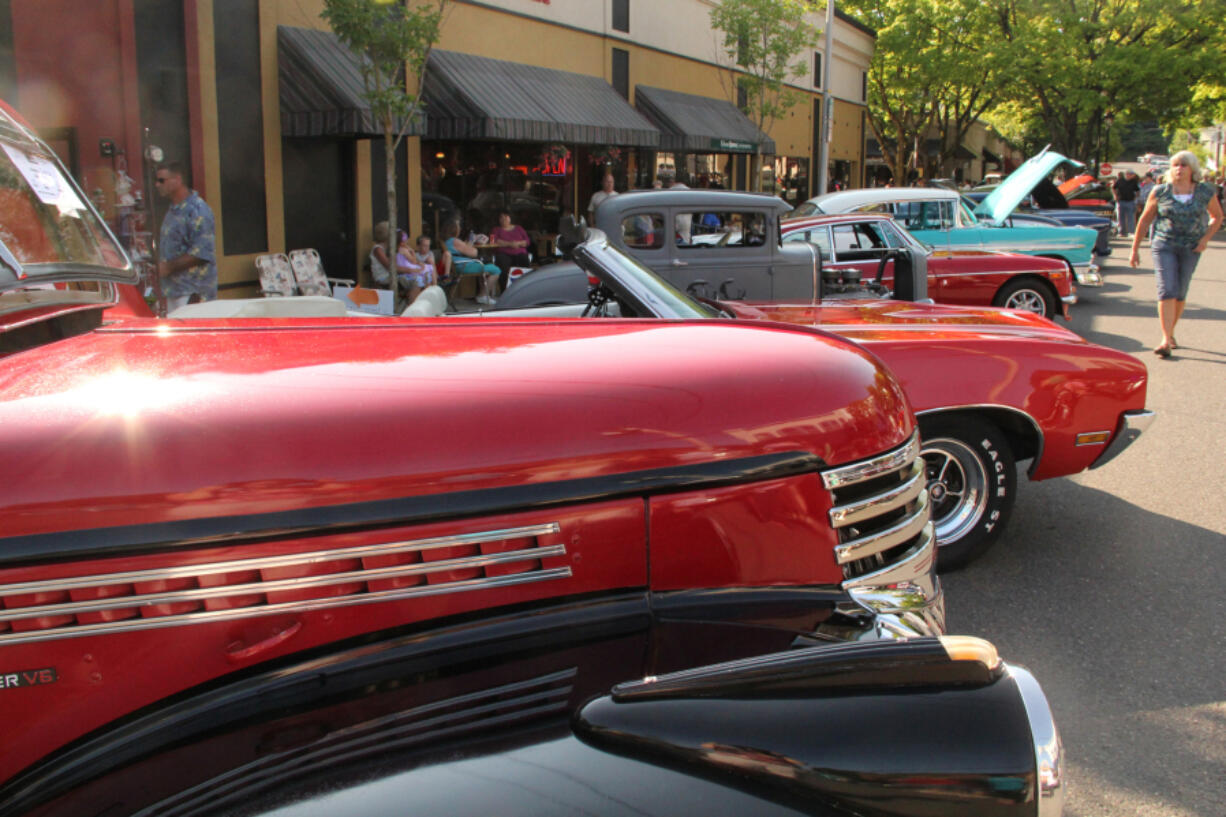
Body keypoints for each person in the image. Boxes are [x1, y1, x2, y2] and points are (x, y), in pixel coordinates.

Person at [1129, 150, 1224, 357]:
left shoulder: (1205, 192)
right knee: (1167, 289)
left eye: (1183, 165)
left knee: (1180, 292)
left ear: (1192, 170)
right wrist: (1135, 249)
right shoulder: (1160, 191)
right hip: (1165, 244)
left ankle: (1170, 332)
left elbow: (1217, 217)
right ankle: (1165, 340)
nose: (1179, 169)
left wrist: (1204, 239)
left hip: (1191, 247)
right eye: (1175, 165)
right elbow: (1145, 220)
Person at [155, 161, 216, 311]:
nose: (157, 184)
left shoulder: (197, 210)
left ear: (177, 179)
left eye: (161, 180)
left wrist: (167, 267)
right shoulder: (173, 210)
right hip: (173, 291)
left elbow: (202, 253)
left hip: (193, 293)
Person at [443, 220, 500, 305]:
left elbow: (463, 248)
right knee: (496, 270)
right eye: (459, 227)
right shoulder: (455, 241)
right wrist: (472, 241)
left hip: (458, 265)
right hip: (463, 266)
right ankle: (483, 296)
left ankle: (482, 294)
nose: (460, 228)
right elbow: (474, 253)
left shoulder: (448, 241)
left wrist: (468, 242)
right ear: (455, 230)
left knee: (483, 267)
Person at [489, 210, 531, 291]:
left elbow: (527, 241)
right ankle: (505, 290)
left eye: (506, 216)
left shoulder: (519, 228)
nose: (504, 219)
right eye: (501, 217)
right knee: (502, 263)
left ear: (510, 218)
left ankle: (525, 289)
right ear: (498, 219)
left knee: (525, 261)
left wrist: (517, 243)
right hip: (503, 253)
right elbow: (493, 241)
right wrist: (509, 244)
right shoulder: (496, 229)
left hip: (519, 252)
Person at [1113, 169, 1140, 237]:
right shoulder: (1120, 181)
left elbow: (1137, 190)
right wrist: (1115, 195)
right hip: (1121, 201)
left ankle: (1131, 232)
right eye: (1131, 174)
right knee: (1120, 217)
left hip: (1130, 201)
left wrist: (1135, 198)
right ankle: (1121, 232)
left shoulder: (1133, 182)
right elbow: (1114, 188)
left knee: (1130, 217)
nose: (1132, 176)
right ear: (1127, 174)